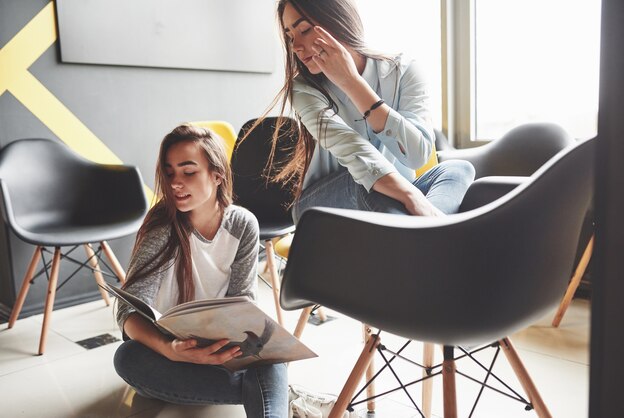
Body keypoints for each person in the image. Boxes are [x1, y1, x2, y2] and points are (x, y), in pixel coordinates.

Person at [113, 125, 288, 418]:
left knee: (272, 356)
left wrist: (232, 344)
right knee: (127, 357)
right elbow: (128, 312)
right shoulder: (161, 227)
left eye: (188, 171)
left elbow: (242, 300)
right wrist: (169, 349)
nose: (175, 183)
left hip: (220, 350)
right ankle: (269, 393)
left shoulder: (242, 224)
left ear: (217, 175)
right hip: (167, 352)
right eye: (169, 173)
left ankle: (267, 399)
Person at [259, 0, 474, 221]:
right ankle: (434, 234)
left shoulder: (404, 71)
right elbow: (357, 155)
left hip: (395, 193)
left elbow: (417, 156)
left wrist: (352, 83)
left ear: (336, 21)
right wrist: (412, 197)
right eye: (290, 36)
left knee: (458, 169)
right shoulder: (304, 89)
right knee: (368, 181)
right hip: (320, 204)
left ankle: (424, 235)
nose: (295, 46)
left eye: (303, 29)